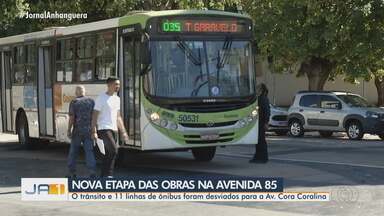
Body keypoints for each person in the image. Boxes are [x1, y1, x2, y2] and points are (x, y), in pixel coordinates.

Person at [91, 77, 129, 178]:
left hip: (114, 129)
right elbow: (94, 115)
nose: (118, 87)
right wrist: (93, 131)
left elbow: (118, 117)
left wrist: (123, 132)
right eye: (116, 84)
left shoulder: (117, 99)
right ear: (109, 85)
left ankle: (104, 176)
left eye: (119, 85)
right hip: (103, 128)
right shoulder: (101, 98)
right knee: (113, 150)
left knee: (109, 153)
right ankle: (109, 175)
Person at [67, 86, 97, 178]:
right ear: (84, 92)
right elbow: (94, 118)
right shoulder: (91, 102)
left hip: (77, 131)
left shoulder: (74, 102)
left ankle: (72, 173)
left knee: (73, 152)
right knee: (89, 151)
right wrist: (94, 131)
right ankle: (92, 171)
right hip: (88, 131)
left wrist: (69, 129)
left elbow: (72, 118)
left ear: (76, 92)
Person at [250, 83, 271, 163]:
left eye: (258, 88)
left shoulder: (263, 99)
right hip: (257, 122)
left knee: (261, 141)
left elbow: (267, 111)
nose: (256, 90)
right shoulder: (258, 98)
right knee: (257, 140)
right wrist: (251, 117)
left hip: (261, 122)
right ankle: (257, 157)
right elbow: (256, 110)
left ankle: (263, 158)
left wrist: (266, 122)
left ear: (261, 90)